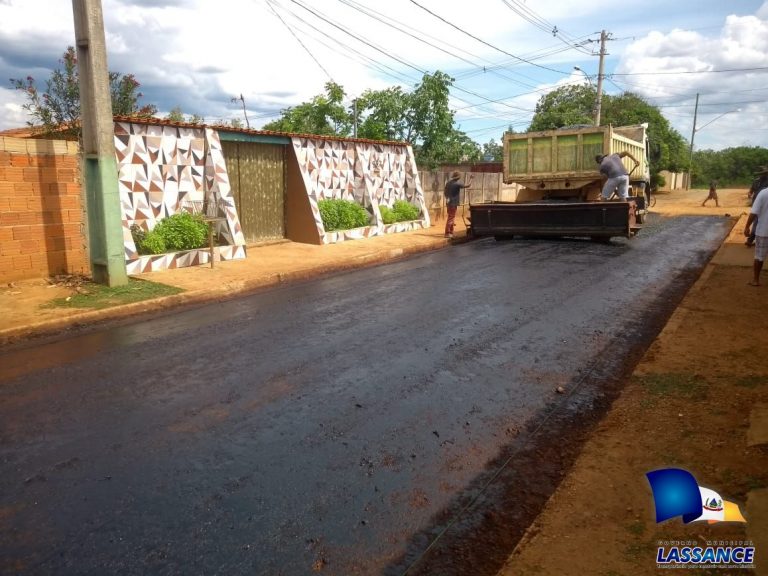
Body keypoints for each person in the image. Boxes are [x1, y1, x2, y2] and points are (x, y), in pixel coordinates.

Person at [744, 183, 768, 286]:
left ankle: (756, 280)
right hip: (763, 230)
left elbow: (754, 213)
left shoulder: (763, 193)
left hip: (763, 231)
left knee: (759, 257)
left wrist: (747, 226)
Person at [443, 171, 472, 238]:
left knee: (451, 218)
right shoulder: (457, 184)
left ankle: (451, 232)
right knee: (451, 218)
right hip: (453, 203)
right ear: (458, 177)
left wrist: (447, 198)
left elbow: (445, 192)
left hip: (448, 203)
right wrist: (471, 178)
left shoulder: (448, 183)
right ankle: (447, 233)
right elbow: (468, 185)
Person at [746, 166, 768, 246]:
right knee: (757, 221)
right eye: (763, 174)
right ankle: (751, 239)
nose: (764, 175)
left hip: (765, 203)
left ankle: (751, 239)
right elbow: (751, 190)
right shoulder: (756, 181)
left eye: (765, 173)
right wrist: (749, 193)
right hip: (756, 203)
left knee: (758, 221)